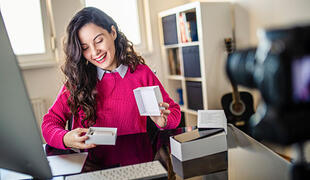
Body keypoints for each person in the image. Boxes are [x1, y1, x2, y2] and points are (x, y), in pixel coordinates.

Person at [41, 7, 181, 150]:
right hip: (91, 165)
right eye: (85, 48)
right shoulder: (78, 80)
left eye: (99, 40)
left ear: (113, 33)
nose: (95, 52)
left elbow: (174, 112)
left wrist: (164, 121)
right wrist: (65, 138)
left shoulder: (141, 73)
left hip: (135, 161)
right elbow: (48, 124)